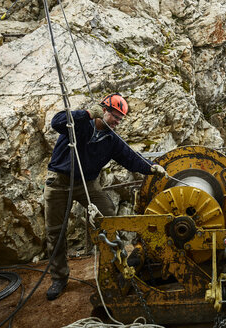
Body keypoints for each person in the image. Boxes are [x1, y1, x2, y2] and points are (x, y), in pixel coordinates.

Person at [44, 93, 167, 300]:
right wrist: (86, 114)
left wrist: (151, 168)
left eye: (120, 119)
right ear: (104, 110)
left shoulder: (112, 139)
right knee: (56, 231)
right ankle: (59, 277)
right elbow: (57, 122)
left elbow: (130, 158)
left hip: (87, 184)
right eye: (115, 117)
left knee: (109, 217)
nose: (117, 123)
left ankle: (115, 264)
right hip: (60, 181)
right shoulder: (81, 125)